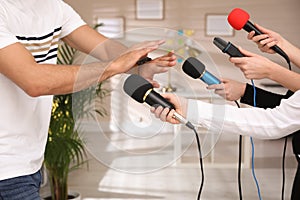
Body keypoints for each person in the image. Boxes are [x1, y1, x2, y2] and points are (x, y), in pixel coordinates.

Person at [0, 0, 176, 199]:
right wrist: (113, 67)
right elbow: (34, 80)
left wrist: (141, 66)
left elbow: (105, 49)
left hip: (28, 165)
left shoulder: (55, 7)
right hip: (5, 169)